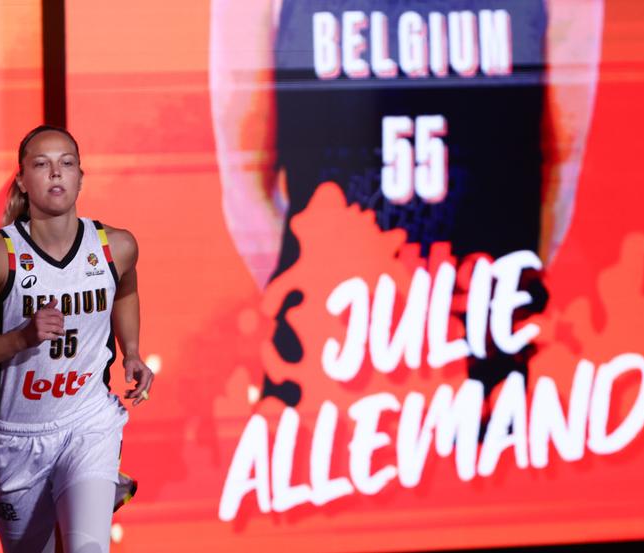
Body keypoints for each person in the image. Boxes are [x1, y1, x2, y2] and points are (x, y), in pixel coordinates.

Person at [210, 0, 603, 406]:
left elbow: (557, 173)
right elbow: (245, 186)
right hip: (328, 382)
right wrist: (323, 329)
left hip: (487, 373)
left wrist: (493, 324)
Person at [0, 125, 154, 553]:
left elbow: (125, 289)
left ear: (80, 177)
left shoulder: (116, 247)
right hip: (13, 440)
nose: (56, 173)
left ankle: (97, 488)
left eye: (67, 163)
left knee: (88, 547)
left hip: (88, 422)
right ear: (21, 180)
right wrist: (19, 339)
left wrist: (132, 351)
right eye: (42, 164)